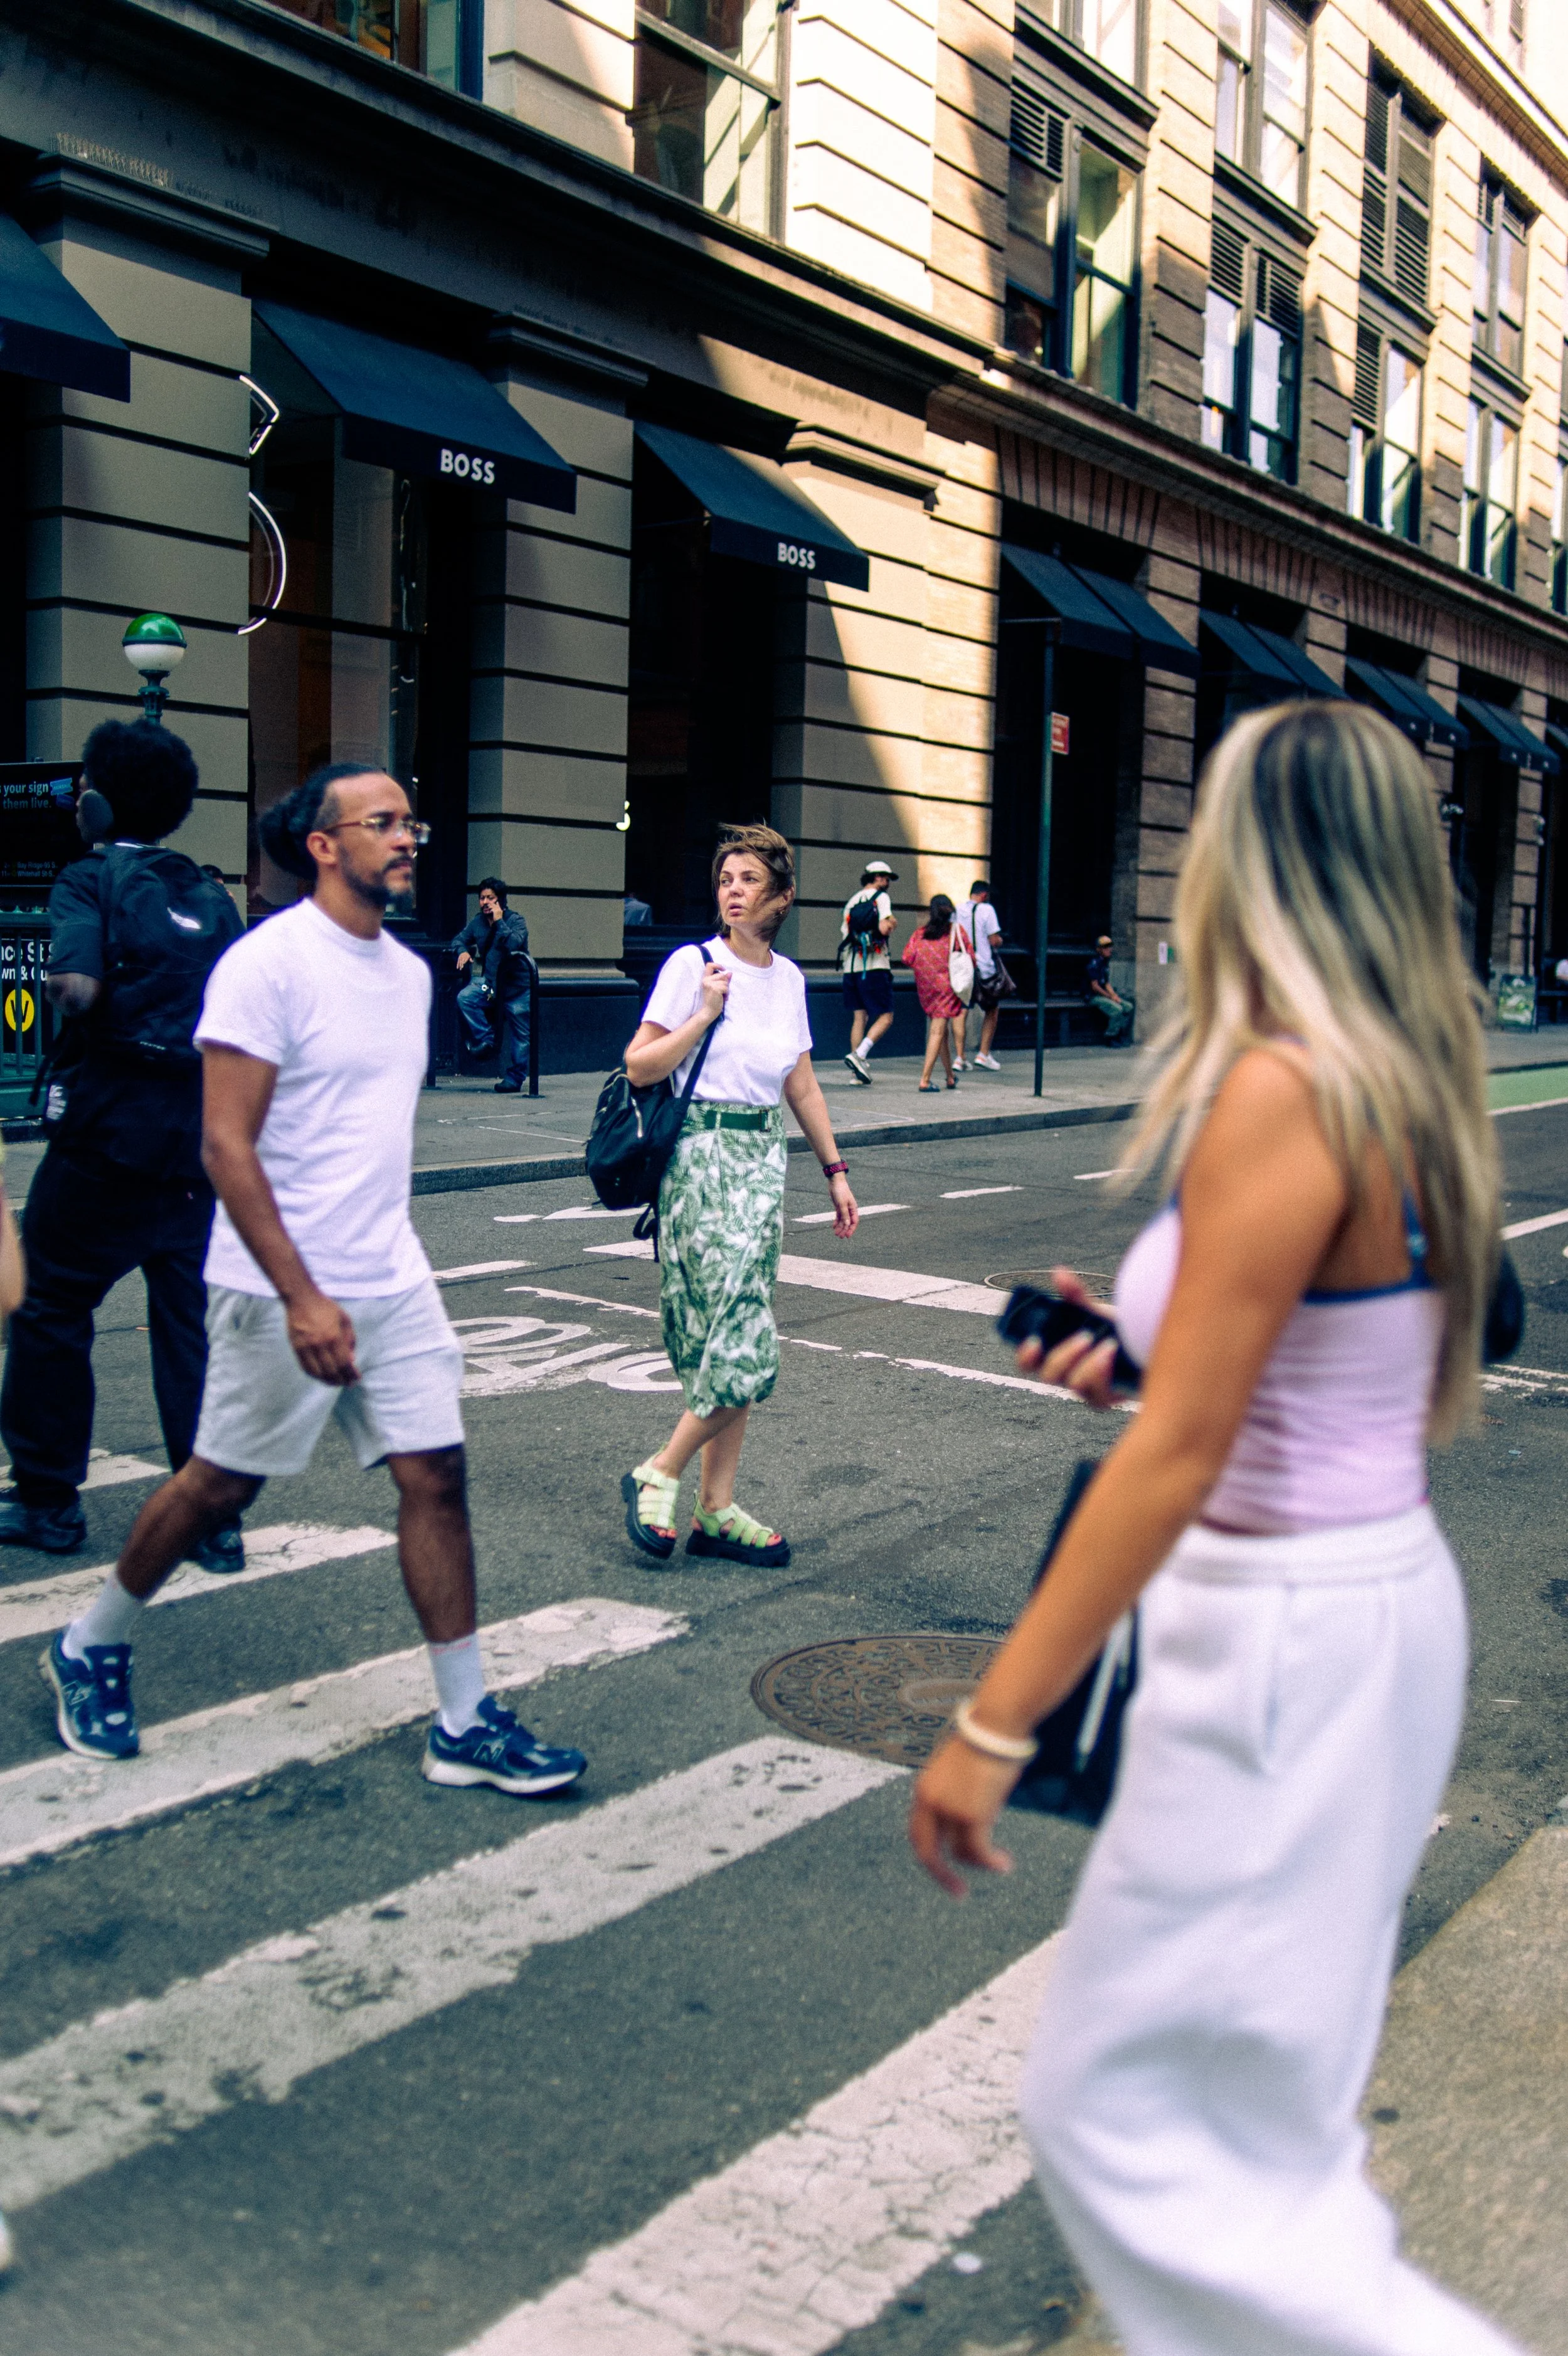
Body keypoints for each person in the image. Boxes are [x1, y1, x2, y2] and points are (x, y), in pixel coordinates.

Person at [909, 702, 1521, 2356]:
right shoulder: (1404, 1080)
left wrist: (985, 1721)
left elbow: (1182, 1455)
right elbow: (1295, 1375)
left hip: (1277, 1632)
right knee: (1261, 2132)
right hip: (1357, 1610)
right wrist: (1140, 1355)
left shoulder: (1282, 1088)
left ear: (1256, 861)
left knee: (1132, 2125)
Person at [40, 761, 587, 1803]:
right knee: (218, 1487)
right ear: (324, 845)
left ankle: (464, 1721)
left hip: (392, 1276)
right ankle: (87, 1642)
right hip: (273, 1284)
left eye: (410, 820)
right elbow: (226, 1147)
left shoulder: (414, 974)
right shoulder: (266, 966)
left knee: (436, 1478)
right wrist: (301, 1296)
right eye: (383, 822)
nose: (409, 837)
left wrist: (362, 1278)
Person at [0, 721, 245, 1565]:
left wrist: (68, 984)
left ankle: (49, 1503)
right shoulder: (212, 898)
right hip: (194, 1144)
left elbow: (75, 986)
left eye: (82, 789)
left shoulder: (86, 879)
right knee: (187, 1328)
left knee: (49, 1307)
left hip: (103, 1139)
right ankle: (214, 1518)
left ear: (98, 800)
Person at [619, 824, 859, 1569]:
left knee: (738, 1328)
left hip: (761, 1158)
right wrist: (701, 1015)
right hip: (701, 1154)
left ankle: (715, 1510)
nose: (732, 889)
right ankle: (660, 1469)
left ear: (780, 897)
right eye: (726, 877)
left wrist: (834, 1169)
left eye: (748, 879)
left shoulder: (787, 980)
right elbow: (638, 1068)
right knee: (737, 1338)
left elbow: (802, 1082)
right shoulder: (692, 965)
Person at [452, 876, 532, 1093]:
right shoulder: (477, 922)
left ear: (500, 901)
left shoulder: (516, 921)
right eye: (482, 898)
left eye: (491, 898)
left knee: (521, 1034)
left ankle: (515, 1079)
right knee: (466, 998)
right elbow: (459, 939)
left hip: (518, 988)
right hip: (491, 986)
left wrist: (499, 922)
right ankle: (487, 1040)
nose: (485, 902)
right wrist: (463, 951)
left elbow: (514, 943)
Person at [901, 893, 970, 1090]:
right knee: (938, 1031)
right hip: (947, 987)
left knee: (941, 1032)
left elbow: (907, 957)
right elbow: (970, 957)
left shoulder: (920, 933)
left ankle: (950, 1076)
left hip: (926, 988)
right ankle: (925, 1080)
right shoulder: (956, 932)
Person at [838, 857, 897, 1083]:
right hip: (874, 966)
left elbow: (846, 934)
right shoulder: (881, 898)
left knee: (859, 1017)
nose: (888, 882)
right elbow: (883, 927)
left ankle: (856, 1074)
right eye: (887, 878)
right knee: (886, 1016)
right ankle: (860, 1054)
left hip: (851, 968)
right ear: (879, 878)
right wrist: (891, 922)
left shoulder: (852, 902)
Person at [956, 880, 1005, 1070]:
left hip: (963, 967)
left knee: (961, 1011)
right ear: (984, 895)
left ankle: (960, 1058)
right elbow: (994, 940)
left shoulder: (958, 910)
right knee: (992, 1010)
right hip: (984, 968)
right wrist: (999, 940)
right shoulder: (987, 910)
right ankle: (983, 1055)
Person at [1084, 931, 1134, 1044]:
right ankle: (1111, 1036)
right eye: (1105, 948)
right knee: (1117, 1009)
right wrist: (1110, 997)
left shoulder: (1104, 963)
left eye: (1109, 947)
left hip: (1104, 995)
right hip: (1093, 996)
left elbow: (1107, 984)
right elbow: (1095, 987)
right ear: (1099, 949)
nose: (1109, 950)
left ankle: (1121, 1034)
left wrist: (1115, 996)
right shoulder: (1094, 964)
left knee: (1128, 1007)